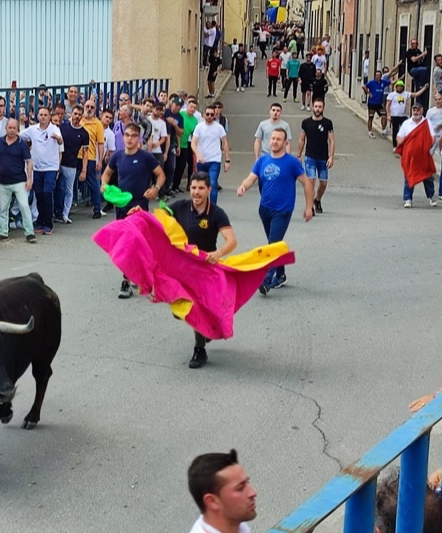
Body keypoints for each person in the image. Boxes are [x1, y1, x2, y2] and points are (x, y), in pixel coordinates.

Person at [167, 173, 235, 367]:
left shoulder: (216, 213)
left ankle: (199, 350)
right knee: (178, 311)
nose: (196, 192)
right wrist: (141, 214)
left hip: (205, 270)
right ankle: (205, 331)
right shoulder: (180, 207)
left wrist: (219, 252)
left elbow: (232, 240)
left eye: (201, 188)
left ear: (209, 190)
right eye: (193, 188)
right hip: (182, 268)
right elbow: (159, 219)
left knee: (195, 308)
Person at [238, 128, 313, 294]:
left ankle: (266, 280)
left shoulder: (292, 162)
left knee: (272, 245)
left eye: (279, 139)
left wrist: (309, 207)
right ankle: (280, 275)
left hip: (282, 211)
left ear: (285, 143)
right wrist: (243, 186)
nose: (275, 142)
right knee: (275, 244)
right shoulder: (262, 160)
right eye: (272, 139)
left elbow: (307, 183)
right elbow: (251, 178)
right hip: (264, 209)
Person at [100, 122, 166, 299]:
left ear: (139, 139)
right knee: (125, 244)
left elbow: (161, 175)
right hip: (122, 206)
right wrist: (104, 186)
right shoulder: (117, 157)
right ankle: (129, 277)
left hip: (140, 207)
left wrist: (155, 189)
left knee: (134, 244)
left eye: (133, 136)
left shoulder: (146, 157)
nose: (129, 139)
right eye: (127, 135)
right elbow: (106, 174)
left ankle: (128, 280)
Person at [187, 450, 257, 533]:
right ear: (212, 501)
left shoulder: (235, 521)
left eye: (247, 482)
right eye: (240, 488)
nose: (253, 493)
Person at [0, 118, 36, 243]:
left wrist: (29, 179)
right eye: (9, 128)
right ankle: (3, 233)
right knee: (3, 208)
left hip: (19, 181)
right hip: (3, 181)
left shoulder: (22, 144)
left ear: (18, 130)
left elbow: (29, 162)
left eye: (14, 128)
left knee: (24, 206)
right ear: (6, 128)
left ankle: (29, 233)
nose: (11, 130)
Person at [20, 107, 63, 235]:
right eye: (41, 115)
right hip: (37, 167)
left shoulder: (54, 129)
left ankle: (48, 224)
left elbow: (60, 139)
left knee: (47, 194)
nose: (43, 117)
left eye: (45, 115)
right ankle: (40, 221)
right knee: (38, 195)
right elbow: (20, 136)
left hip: (51, 167)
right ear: (38, 116)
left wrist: (58, 139)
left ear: (49, 117)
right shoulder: (33, 129)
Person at [397, 102, 438, 208]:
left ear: (422, 110)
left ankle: (431, 196)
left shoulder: (426, 123)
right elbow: (400, 137)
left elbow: (432, 137)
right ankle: (408, 199)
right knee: (409, 176)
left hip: (423, 156)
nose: (415, 112)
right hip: (410, 157)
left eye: (417, 110)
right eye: (414, 110)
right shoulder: (406, 123)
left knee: (427, 177)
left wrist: (427, 147)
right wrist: (400, 144)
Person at [297, 99, 334, 216]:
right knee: (311, 181)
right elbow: (302, 139)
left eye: (320, 107)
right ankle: (310, 206)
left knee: (323, 183)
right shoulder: (306, 122)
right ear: (312, 107)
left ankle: (317, 200)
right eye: (316, 106)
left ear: (323, 108)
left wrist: (331, 156)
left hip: (323, 157)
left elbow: (331, 141)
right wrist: (298, 155)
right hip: (310, 156)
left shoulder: (328, 123)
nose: (318, 109)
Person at [55, 106, 89, 224]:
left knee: (69, 191)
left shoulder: (84, 133)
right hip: (57, 163)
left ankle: (65, 214)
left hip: (71, 165)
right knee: (57, 189)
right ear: (71, 114)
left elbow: (85, 154)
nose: (77, 116)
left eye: (80, 114)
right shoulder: (62, 127)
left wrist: (84, 170)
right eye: (75, 114)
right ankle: (56, 213)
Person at [192, 105, 230, 204]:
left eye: (212, 114)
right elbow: (193, 143)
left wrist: (227, 160)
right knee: (201, 185)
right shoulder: (199, 127)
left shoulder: (219, 128)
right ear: (204, 114)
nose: (209, 116)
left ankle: (213, 207)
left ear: (215, 116)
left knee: (212, 183)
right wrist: (198, 154)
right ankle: (201, 204)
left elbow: (225, 143)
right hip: (201, 161)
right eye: (207, 114)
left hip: (214, 160)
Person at [387, 79, 429, 148]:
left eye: (401, 86)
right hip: (394, 115)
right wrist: (388, 114)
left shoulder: (406, 93)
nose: (400, 88)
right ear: (396, 87)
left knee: (406, 130)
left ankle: (405, 144)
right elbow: (388, 105)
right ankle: (395, 146)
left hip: (403, 115)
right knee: (395, 131)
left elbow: (416, 94)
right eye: (398, 86)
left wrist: (424, 88)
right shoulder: (392, 95)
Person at [363, 70, 390, 139]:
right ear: (375, 76)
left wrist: (400, 79)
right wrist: (369, 93)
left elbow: (390, 82)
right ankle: (370, 131)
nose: (378, 76)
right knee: (371, 117)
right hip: (372, 103)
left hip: (379, 104)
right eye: (377, 75)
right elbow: (364, 86)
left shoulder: (383, 82)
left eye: (379, 75)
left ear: (381, 76)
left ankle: (383, 130)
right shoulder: (371, 82)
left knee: (384, 116)